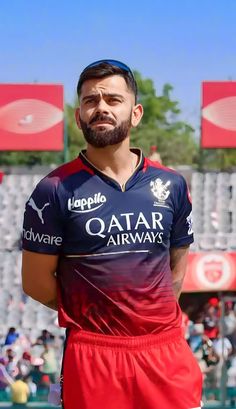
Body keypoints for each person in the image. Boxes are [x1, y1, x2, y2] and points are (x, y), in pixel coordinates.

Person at [21, 59, 202, 409]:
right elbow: (35, 282)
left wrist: (147, 321)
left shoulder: (172, 184)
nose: (101, 107)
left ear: (135, 113)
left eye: (113, 100)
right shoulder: (53, 190)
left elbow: (177, 270)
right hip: (94, 356)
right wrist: (101, 316)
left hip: (165, 353)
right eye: (90, 101)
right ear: (78, 117)